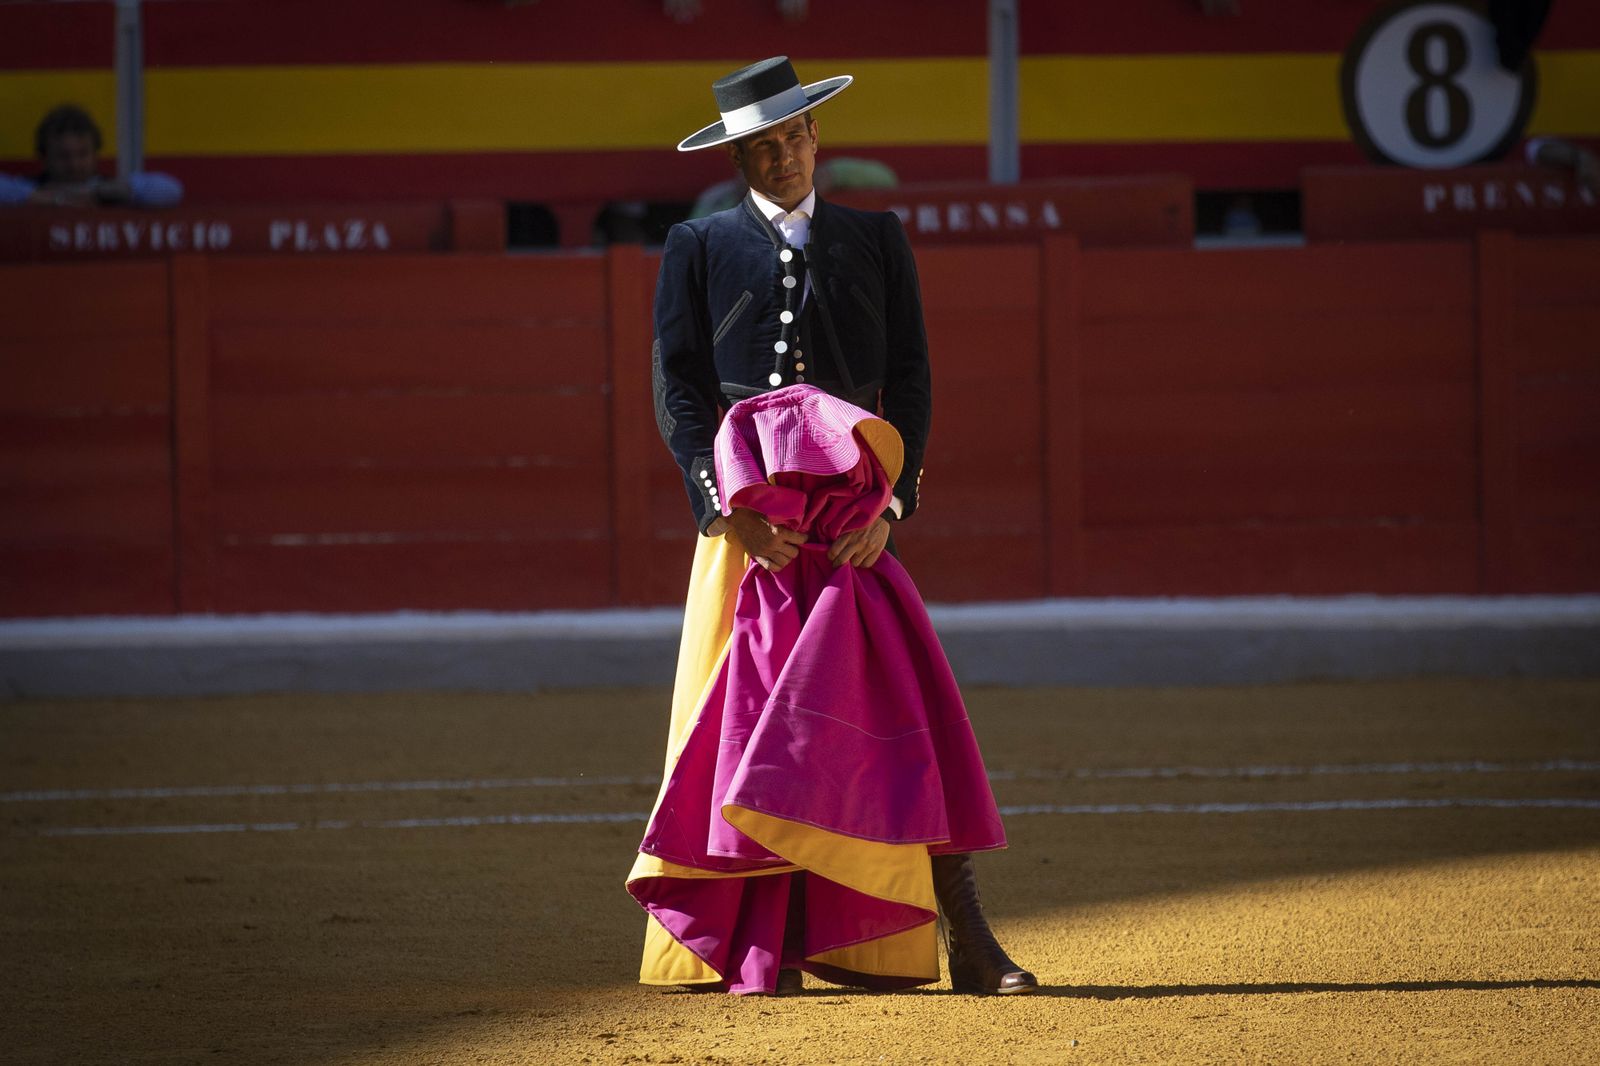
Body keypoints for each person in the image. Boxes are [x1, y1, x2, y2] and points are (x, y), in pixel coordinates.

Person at [626, 55, 1036, 996]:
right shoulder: (697, 245)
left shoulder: (875, 238)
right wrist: (725, 511)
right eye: (759, 148)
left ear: (817, 137)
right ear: (738, 159)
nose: (780, 159)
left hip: (851, 522)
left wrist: (890, 507)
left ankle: (964, 939)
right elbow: (678, 390)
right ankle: (756, 945)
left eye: (791, 139)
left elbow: (913, 379)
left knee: (895, 716)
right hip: (750, 531)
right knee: (740, 730)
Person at [0, 104, 183, 208]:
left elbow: (171, 190)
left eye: (83, 154)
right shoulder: (29, 188)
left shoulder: (110, 188)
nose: (74, 164)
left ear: (95, 154)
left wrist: (101, 193)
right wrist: (48, 198)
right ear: (44, 158)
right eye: (63, 156)